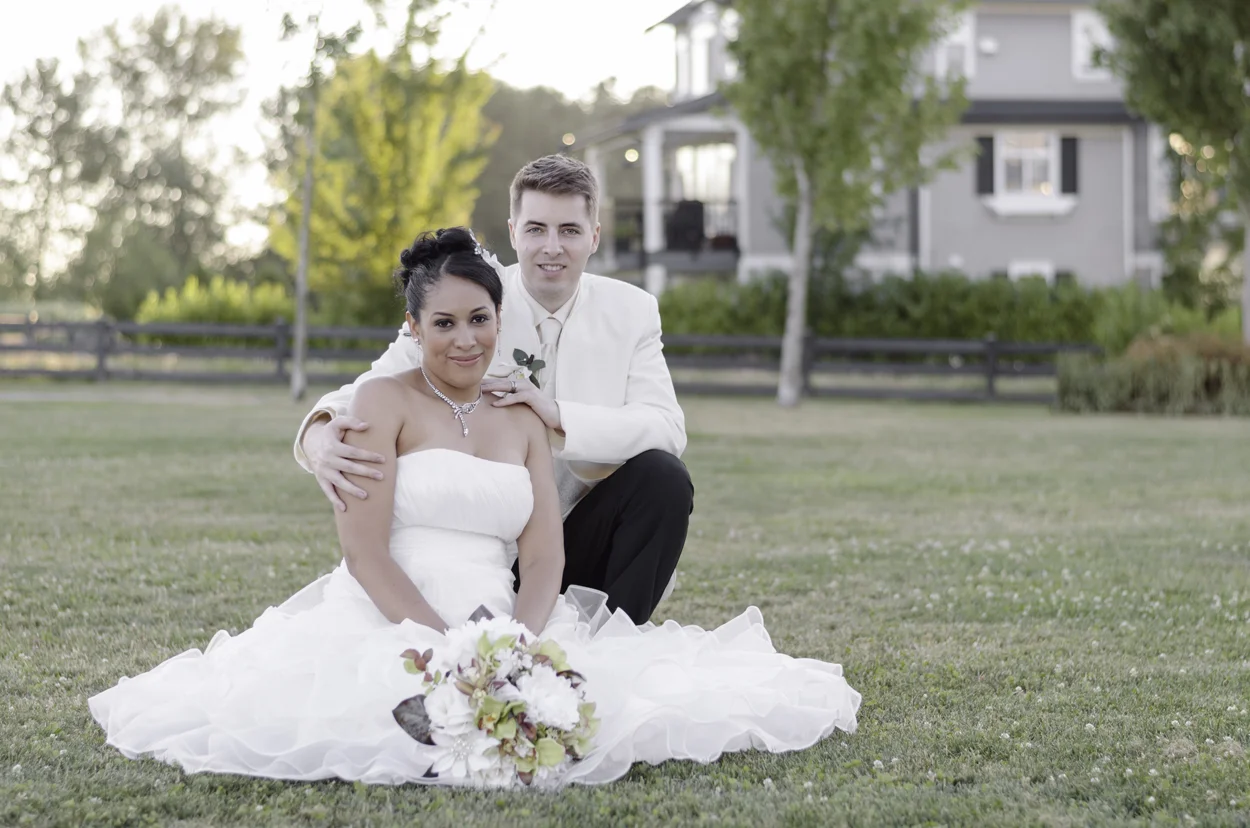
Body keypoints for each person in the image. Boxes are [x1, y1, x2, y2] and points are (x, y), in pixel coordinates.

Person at [88, 228, 861, 787]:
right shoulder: (382, 401)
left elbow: (545, 554)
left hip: (505, 609)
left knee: (593, 698)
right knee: (378, 713)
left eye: (480, 320)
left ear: (500, 319)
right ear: (414, 327)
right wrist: (449, 650)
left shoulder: (518, 416)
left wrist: (514, 647)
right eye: (444, 324)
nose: (465, 340)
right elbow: (365, 553)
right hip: (395, 610)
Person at [294, 155, 688, 624]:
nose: (552, 247)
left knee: (664, 478)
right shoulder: (469, 295)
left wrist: (558, 415)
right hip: (487, 546)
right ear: (514, 232)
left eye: (570, 230)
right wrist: (317, 435)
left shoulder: (632, 310)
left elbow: (667, 427)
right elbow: (373, 388)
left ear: (594, 236)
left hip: (579, 539)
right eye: (537, 229)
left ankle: (612, 641)